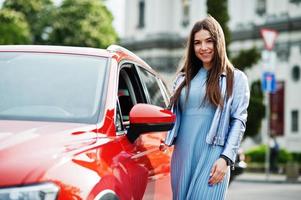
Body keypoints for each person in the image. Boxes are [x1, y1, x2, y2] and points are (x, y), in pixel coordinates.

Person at [165, 15, 250, 199]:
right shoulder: (182, 80)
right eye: (197, 43)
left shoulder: (235, 79)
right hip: (182, 155)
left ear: (218, 42)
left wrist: (226, 158)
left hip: (213, 157)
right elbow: (172, 118)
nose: (203, 47)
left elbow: (238, 121)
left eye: (209, 41)